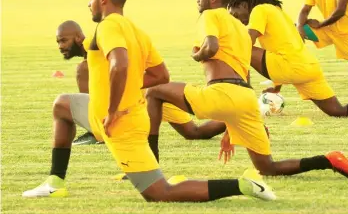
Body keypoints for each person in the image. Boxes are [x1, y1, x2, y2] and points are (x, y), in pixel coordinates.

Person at [24, 0, 273, 202]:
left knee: (160, 192)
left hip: (119, 123)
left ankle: (242, 185)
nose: (88, 4)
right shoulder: (138, 32)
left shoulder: (108, 26)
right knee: (62, 105)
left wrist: (112, 110)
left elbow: (119, 63)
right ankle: (55, 182)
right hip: (115, 116)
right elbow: (160, 74)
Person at [146, 0, 348, 180]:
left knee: (154, 93)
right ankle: (328, 160)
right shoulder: (240, 29)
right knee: (268, 167)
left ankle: (149, 165)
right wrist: (232, 124)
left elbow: (211, 47)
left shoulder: (210, 15)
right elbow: (245, 73)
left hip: (220, 93)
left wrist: (197, 55)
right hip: (246, 99)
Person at [228, 0, 348, 118]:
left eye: (235, 14)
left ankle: (245, 102)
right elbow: (284, 47)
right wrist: (276, 88)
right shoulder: (276, 10)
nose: (235, 19)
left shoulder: (259, 10)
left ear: (244, 5)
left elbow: (247, 43)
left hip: (290, 65)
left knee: (240, 47)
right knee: (339, 111)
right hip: (307, 67)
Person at [55, 21, 225, 149]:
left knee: (194, 132)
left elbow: (117, 65)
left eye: (63, 41)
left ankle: (234, 116)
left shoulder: (91, 44)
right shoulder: (96, 53)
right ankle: (232, 119)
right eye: (58, 42)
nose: (60, 47)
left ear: (78, 38)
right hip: (150, 93)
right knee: (193, 132)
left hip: (145, 95)